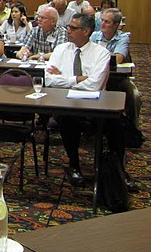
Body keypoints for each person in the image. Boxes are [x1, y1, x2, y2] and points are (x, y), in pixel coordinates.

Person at [46, 13, 118, 187]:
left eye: (73, 28)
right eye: (68, 27)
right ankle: (74, 164)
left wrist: (64, 78)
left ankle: (116, 170)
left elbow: (94, 85)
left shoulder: (101, 53)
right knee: (66, 118)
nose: (68, 31)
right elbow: (49, 80)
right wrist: (77, 79)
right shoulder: (61, 50)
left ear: (86, 31)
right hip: (66, 104)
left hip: (95, 105)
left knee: (116, 123)